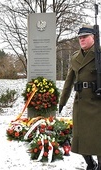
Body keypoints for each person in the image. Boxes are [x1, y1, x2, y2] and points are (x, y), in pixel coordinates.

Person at [59, 25, 101, 170]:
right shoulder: (76, 57)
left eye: (85, 37)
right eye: (80, 37)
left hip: (97, 103)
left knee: (98, 138)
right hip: (81, 104)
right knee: (80, 138)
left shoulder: (99, 54)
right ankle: (90, 163)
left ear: (94, 38)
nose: (82, 40)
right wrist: (62, 101)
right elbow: (69, 81)